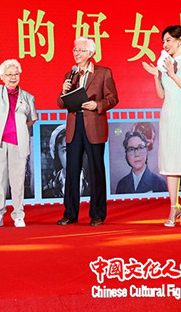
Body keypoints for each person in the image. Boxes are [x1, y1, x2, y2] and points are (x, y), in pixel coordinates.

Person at [142, 25, 181, 227]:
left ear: (179, 40)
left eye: (168, 40)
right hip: (168, 115)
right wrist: (157, 75)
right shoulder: (164, 63)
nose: (164, 45)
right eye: (163, 41)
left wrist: (172, 73)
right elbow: (161, 95)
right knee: (171, 163)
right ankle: (174, 207)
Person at [57, 37, 118, 226]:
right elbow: (60, 103)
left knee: (95, 170)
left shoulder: (103, 72)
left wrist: (96, 105)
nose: (76, 53)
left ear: (91, 53)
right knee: (72, 170)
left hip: (94, 125)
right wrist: (63, 91)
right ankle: (70, 213)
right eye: (75, 50)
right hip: (74, 126)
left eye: (80, 50)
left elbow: (113, 98)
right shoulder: (70, 74)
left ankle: (97, 214)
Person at [0, 59, 37, 228]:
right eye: (9, 74)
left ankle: (18, 215)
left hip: (18, 143)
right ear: (2, 77)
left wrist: (19, 131)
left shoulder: (28, 97)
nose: (13, 77)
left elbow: (32, 119)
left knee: (17, 181)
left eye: (16, 74)